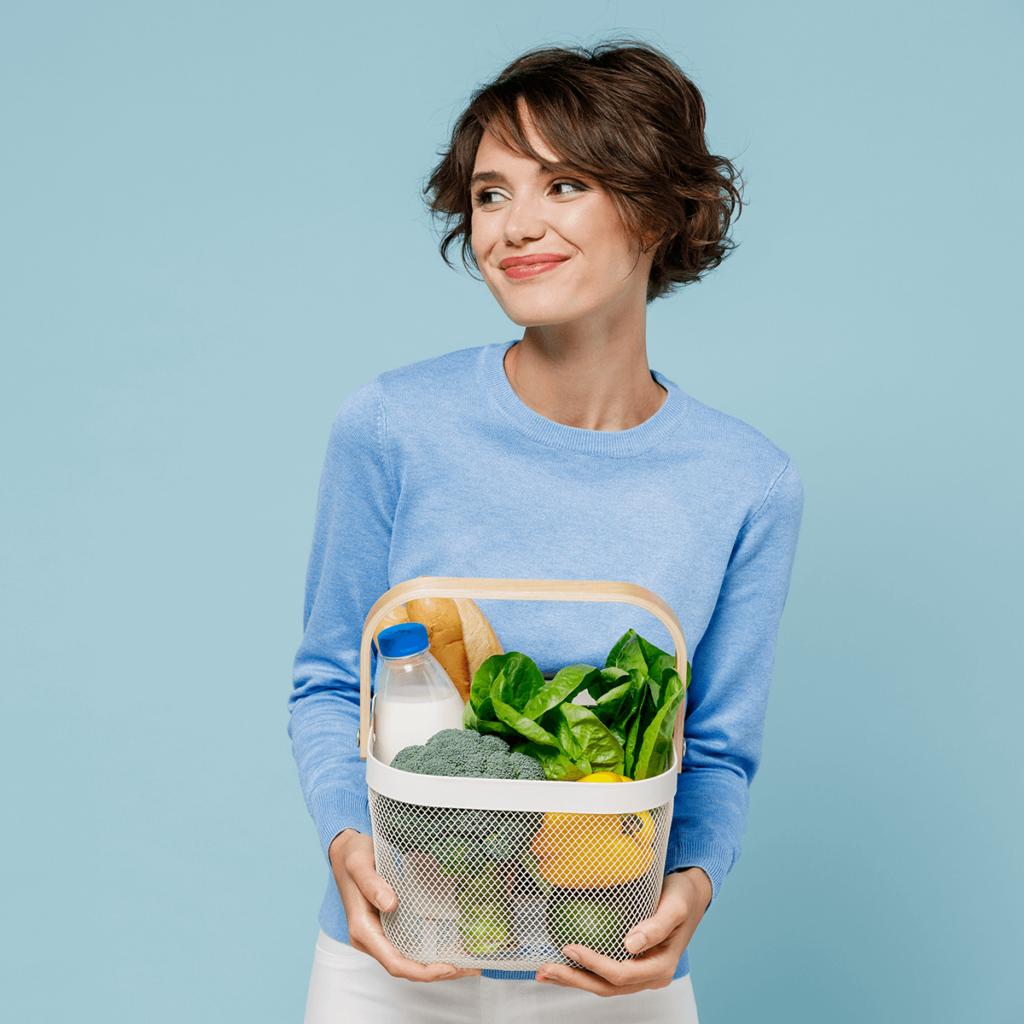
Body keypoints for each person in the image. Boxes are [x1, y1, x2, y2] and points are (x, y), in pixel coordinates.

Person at [290, 41, 802, 1023]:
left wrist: (691, 889)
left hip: (612, 963)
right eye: (490, 195)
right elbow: (326, 679)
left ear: (656, 210)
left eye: (564, 184)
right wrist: (348, 843)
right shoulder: (393, 425)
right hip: (393, 956)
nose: (514, 226)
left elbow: (716, 751)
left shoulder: (746, 481)